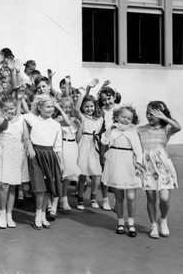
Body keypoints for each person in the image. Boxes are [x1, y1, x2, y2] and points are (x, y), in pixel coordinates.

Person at [137, 101, 181, 238]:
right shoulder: (141, 129)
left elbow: (178, 127)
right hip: (147, 165)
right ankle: (153, 226)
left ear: (161, 115)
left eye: (153, 114)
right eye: (148, 113)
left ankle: (163, 219)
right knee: (151, 197)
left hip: (163, 165)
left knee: (164, 198)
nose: (149, 116)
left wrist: (165, 118)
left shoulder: (166, 128)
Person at [0, 92, 29, 228]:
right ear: (1, 108)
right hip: (1, 152)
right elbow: (3, 126)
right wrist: (5, 116)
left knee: (12, 185)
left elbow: (26, 137)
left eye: (11, 108)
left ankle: (9, 215)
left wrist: (30, 147)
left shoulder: (22, 119)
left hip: (16, 152)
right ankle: (1, 212)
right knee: (2, 185)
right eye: (6, 108)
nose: (9, 111)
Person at [101, 105, 142, 237]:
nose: (125, 120)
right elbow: (104, 140)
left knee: (130, 197)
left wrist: (139, 164)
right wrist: (111, 128)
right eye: (123, 117)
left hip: (129, 163)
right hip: (116, 163)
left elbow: (138, 150)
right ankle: (120, 222)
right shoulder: (113, 130)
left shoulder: (133, 131)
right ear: (117, 117)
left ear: (132, 120)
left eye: (129, 118)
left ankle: (131, 222)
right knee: (119, 196)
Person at [24, 95, 63, 230]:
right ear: (39, 108)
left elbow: (58, 147)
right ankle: (38, 214)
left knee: (47, 188)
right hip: (37, 154)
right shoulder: (32, 119)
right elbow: (22, 115)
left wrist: (61, 163)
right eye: (47, 106)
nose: (50, 109)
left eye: (52, 106)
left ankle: (43, 216)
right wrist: (29, 146)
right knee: (40, 188)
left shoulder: (56, 124)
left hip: (50, 155)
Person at [75, 80, 104, 211]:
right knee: (82, 174)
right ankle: (80, 198)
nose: (89, 109)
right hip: (84, 144)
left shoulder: (99, 118)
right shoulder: (82, 118)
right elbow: (76, 108)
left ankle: (93, 197)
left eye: (91, 106)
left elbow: (101, 102)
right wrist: (87, 89)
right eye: (86, 106)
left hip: (95, 146)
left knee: (97, 173)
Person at [57, 96, 81, 212]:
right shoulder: (59, 118)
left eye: (69, 107)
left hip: (73, 147)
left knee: (67, 176)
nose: (67, 109)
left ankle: (64, 199)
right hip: (63, 146)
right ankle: (59, 199)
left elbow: (78, 138)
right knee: (61, 174)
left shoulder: (75, 119)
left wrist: (80, 126)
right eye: (64, 107)